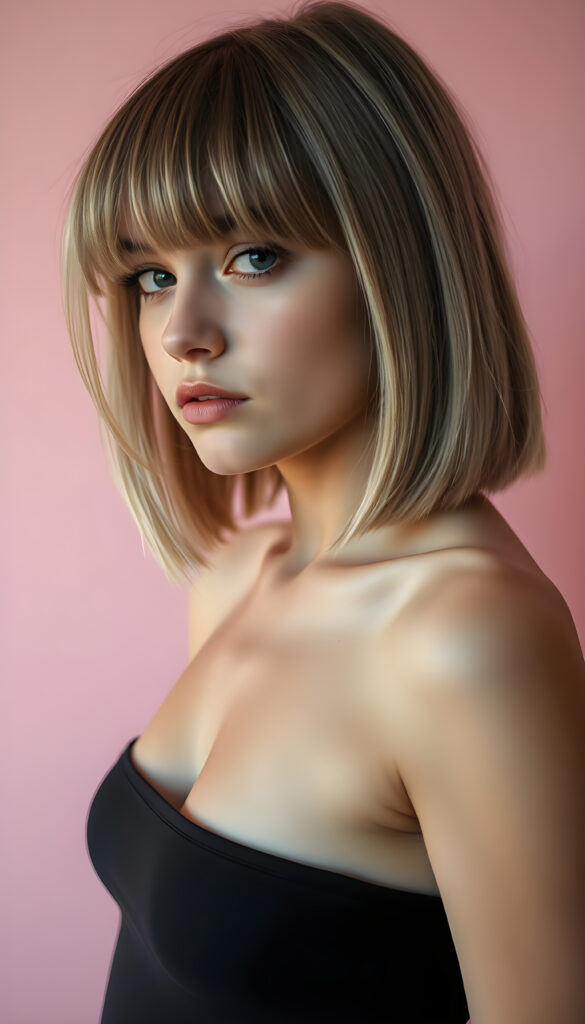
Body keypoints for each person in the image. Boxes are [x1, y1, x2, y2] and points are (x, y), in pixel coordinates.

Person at [62, 1, 585, 1021]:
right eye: (149, 276)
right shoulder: (236, 580)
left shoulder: (463, 636)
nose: (183, 333)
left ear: (400, 264)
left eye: (254, 255)